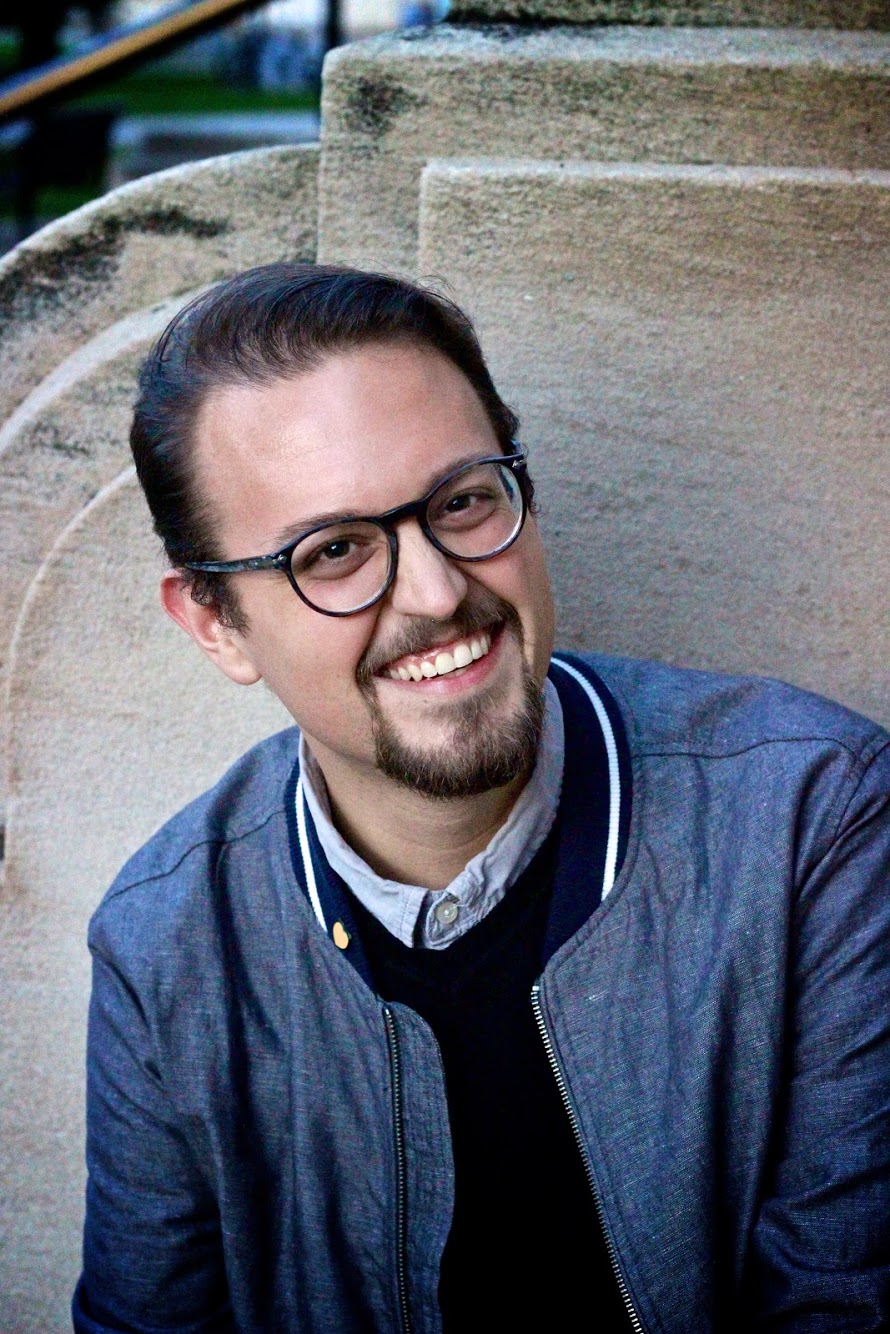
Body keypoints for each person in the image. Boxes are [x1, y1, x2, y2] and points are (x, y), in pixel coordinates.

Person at [73, 263, 890, 1334]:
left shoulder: (810, 819)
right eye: (333, 550)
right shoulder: (165, 946)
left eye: (461, 500)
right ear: (216, 623)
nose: (437, 590)